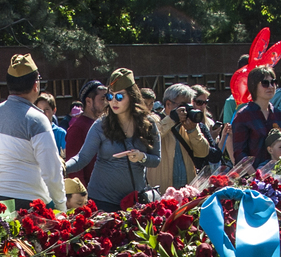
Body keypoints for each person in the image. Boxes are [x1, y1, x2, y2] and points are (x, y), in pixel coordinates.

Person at [64, 69, 161, 211]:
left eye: (120, 97)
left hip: (134, 201)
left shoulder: (148, 124)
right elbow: (82, 158)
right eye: (110, 96)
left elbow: (156, 160)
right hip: (102, 201)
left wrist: (142, 157)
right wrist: (62, 167)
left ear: (132, 96)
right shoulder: (101, 124)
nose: (113, 101)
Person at [0, 54, 65, 210]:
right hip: (28, 204)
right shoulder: (37, 119)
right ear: (35, 85)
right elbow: (51, 169)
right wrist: (61, 205)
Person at [153, 83, 212, 190]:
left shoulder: (188, 123)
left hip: (187, 191)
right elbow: (151, 138)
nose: (187, 109)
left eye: (189, 105)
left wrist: (193, 131)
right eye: (183, 105)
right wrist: (172, 119)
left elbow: (203, 152)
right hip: (162, 191)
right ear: (168, 104)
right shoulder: (154, 119)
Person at [231, 66, 281, 166]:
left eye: (273, 82)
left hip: (278, 176)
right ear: (254, 86)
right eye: (265, 83)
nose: (271, 86)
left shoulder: (279, 115)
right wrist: (256, 177)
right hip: (253, 177)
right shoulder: (243, 116)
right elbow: (240, 154)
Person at [64, 80, 106, 186]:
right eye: (102, 99)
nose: (106, 103)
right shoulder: (77, 128)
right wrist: (83, 198)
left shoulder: (105, 124)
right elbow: (75, 172)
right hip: (91, 193)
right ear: (88, 101)